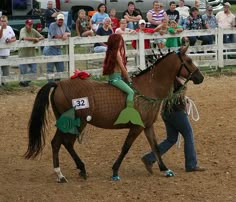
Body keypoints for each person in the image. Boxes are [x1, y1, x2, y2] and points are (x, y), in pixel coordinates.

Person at [141, 79, 205, 173]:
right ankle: (191, 164)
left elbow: (172, 94)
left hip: (166, 111)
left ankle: (150, 157)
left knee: (171, 139)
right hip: (177, 112)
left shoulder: (167, 79)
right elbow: (180, 88)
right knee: (188, 134)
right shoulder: (176, 79)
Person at [103, 34, 144, 127]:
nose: (122, 42)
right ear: (117, 42)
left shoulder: (110, 51)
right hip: (116, 79)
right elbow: (123, 69)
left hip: (112, 78)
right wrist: (128, 79)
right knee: (131, 92)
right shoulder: (117, 53)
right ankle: (129, 113)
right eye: (120, 41)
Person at [43, 13, 71, 81]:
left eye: (61, 20)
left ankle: (57, 82)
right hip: (50, 48)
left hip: (58, 48)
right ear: (56, 20)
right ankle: (50, 83)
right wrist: (63, 36)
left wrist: (66, 34)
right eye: (59, 20)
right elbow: (55, 36)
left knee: (61, 68)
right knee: (50, 68)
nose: (60, 21)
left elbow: (70, 33)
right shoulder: (52, 25)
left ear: (63, 20)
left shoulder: (64, 25)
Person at [18, 19, 44, 87]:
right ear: (26, 24)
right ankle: (24, 83)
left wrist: (38, 39)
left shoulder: (33, 30)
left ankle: (24, 82)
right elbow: (24, 38)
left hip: (32, 54)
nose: (30, 26)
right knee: (23, 72)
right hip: (23, 54)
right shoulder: (22, 30)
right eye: (29, 24)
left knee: (34, 70)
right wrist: (34, 39)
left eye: (31, 24)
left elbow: (42, 36)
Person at [0, 15, 16, 85]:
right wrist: (2, 29)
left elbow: (14, 38)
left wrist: (10, 40)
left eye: (4, 21)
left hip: (6, 52)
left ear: (7, 21)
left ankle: (5, 83)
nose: (3, 22)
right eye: (2, 21)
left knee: (6, 70)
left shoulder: (10, 28)